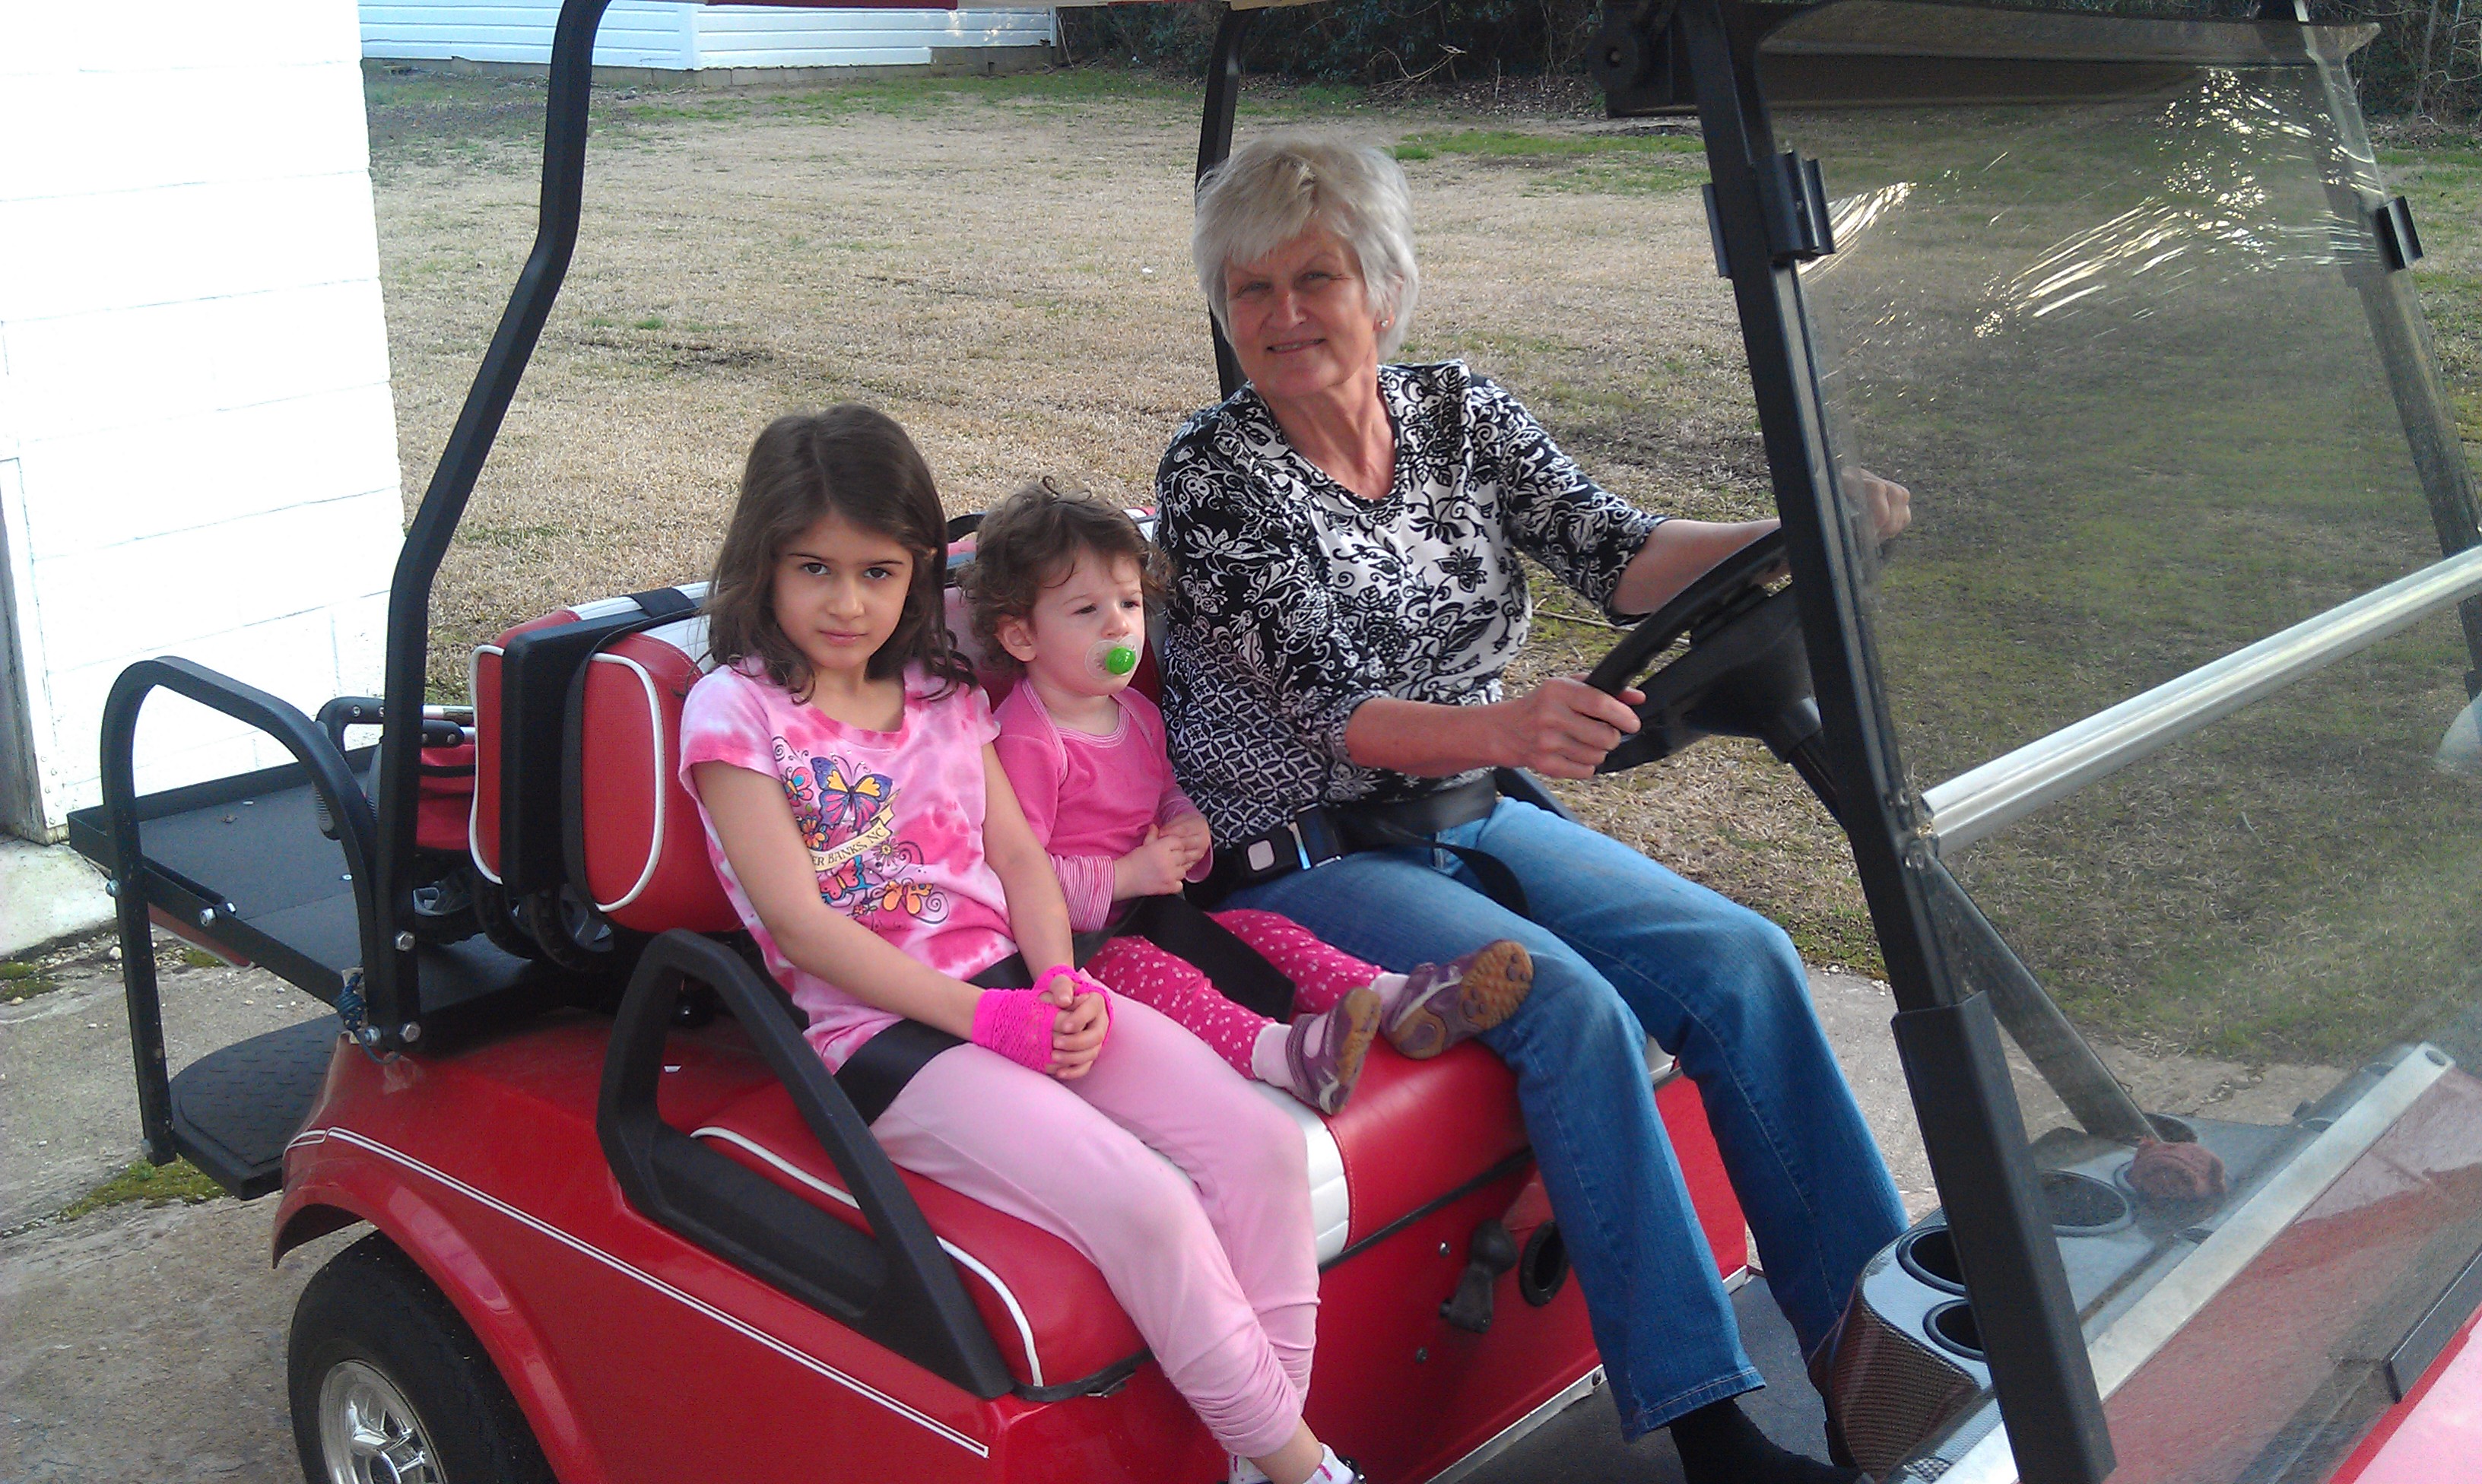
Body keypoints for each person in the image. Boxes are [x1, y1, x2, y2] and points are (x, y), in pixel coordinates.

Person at [1157, 135, 1913, 1484]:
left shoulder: (1458, 414)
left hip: (1475, 809)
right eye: (1250, 288)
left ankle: (1883, 1371)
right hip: (1301, 853)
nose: (1281, 314)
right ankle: (1708, 1429)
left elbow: (1617, 555)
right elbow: (1332, 709)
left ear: (1382, 288)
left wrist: (1792, 527)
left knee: (1743, 956)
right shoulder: (1214, 475)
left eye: (1314, 278)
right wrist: (1508, 727)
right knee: (1565, 1004)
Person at [678, 406, 1360, 1484]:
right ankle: (1308, 1469)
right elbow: (803, 926)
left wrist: (1056, 981)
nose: (848, 603)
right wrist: (994, 1019)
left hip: (1022, 991)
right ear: (764, 561)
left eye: (878, 571)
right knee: (1148, 1203)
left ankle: (1263, 1457)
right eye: (815, 569)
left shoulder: (941, 692)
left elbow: (1019, 858)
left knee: (1265, 1149)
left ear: (917, 570)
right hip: (892, 1039)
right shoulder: (736, 712)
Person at [963, 476, 1535, 1114]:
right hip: (1082, 947)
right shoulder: (1027, 740)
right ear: (1021, 637)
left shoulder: (1135, 713)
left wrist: (1186, 823)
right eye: (1085, 611)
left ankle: (1402, 999)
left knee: (1268, 932)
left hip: (1156, 914)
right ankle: (1285, 1057)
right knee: (1172, 983)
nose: (1119, 626)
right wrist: (1128, 875)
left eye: (1128, 603)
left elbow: (1163, 789)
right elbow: (1016, 876)